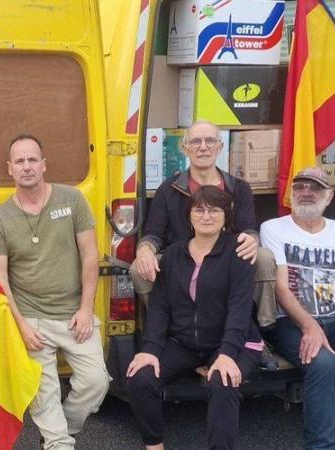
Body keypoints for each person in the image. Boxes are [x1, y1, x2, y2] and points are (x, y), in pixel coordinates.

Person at [0, 134, 110, 450]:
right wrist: (21, 325)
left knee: (97, 382)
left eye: (32, 159)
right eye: (20, 161)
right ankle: (56, 441)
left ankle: (64, 428)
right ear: (10, 168)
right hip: (31, 319)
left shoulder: (72, 199)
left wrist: (85, 307)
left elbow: (90, 256)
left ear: (44, 164)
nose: (27, 167)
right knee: (44, 392)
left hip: (74, 315)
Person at [126, 185, 262, 450]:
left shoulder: (238, 254)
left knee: (223, 381)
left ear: (226, 215)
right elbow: (160, 307)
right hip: (185, 343)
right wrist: (150, 350)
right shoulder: (173, 256)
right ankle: (154, 445)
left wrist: (226, 355)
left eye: (214, 209)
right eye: (199, 209)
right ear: (189, 216)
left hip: (234, 341)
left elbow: (240, 310)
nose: (206, 215)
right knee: (140, 377)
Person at [130, 120, 276, 329]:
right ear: (185, 148)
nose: (203, 147)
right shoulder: (167, 190)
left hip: (226, 259)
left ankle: (263, 330)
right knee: (138, 269)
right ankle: (164, 327)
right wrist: (144, 250)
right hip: (181, 260)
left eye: (210, 141)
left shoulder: (239, 187)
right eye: (196, 141)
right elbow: (154, 233)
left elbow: (248, 228)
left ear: (220, 147)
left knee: (263, 257)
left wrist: (252, 239)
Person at [260, 167, 335, 450]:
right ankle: (322, 447)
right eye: (300, 186)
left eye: (314, 188)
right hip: (291, 322)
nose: (306, 192)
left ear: (328, 196)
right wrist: (310, 326)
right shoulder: (273, 228)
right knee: (324, 364)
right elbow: (280, 288)